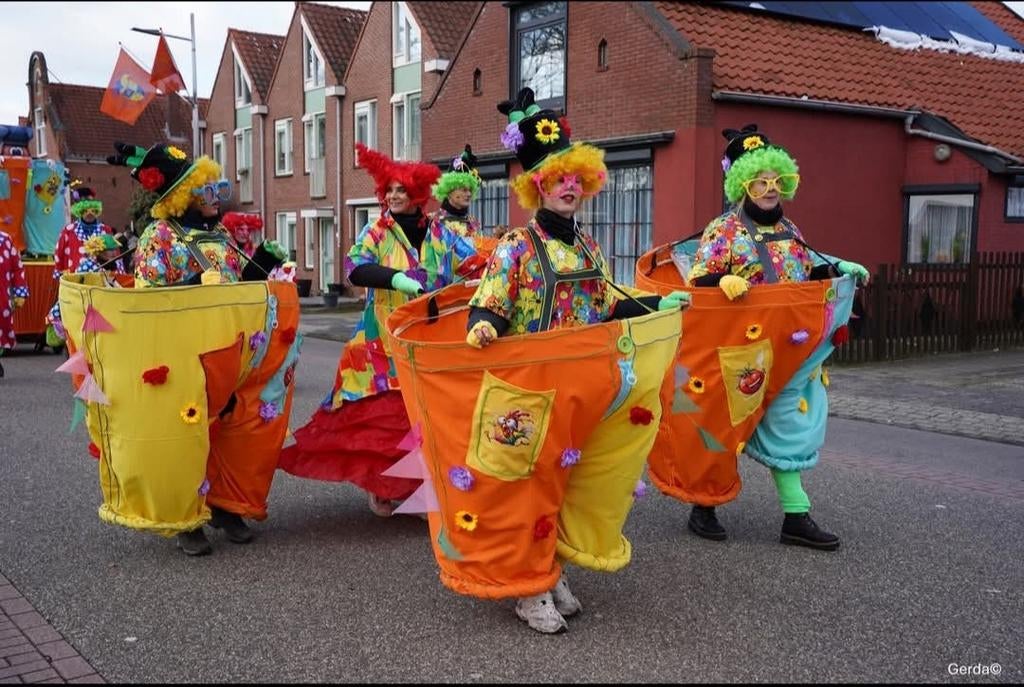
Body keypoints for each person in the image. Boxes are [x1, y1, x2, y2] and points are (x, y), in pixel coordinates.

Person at [463, 87, 689, 633]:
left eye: (575, 179)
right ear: (537, 185)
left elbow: (608, 303)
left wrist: (657, 303)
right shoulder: (516, 245)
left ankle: (550, 566)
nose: (569, 187)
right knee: (529, 484)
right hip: (530, 387)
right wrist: (484, 324)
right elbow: (490, 301)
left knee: (567, 480)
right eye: (557, 178)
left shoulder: (588, 245)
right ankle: (528, 587)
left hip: (582, 385)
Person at [683, 124, 869, 551]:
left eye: (776, 180)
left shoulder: (791, 229)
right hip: (738, 348)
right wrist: (721, 280)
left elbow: (806, 270)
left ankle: (796, 516)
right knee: (724, 425)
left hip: (786, 347)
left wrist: (837, 270)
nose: (769, 189)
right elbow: (699, 279)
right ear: (741, 185)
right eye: (759, 181)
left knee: (786, 421)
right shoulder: (723, 230)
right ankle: (704, 505)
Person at [104, 141, 292, 556]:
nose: (216, 196)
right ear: (183, 197)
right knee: (186, 434)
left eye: (217, 187)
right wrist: (192, 287)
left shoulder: (219, 233)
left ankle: (224, 505)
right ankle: (184, 515)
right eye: (206, 189)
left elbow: (236, 287)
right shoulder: (158, 236)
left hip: (227, 347)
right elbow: (149, 301)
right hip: (181, 352)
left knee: (231, 428)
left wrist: (262, 261)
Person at [279, 143, 482, 517]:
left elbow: (471, 263)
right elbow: (355, 267)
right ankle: (386, 485)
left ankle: (420, 487)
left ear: (417, 193)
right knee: (386, 419)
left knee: (428, 417)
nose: (393, 196)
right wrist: (397, 279)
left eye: (401, 190)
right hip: (381, 342)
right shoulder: (377, 230)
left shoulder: (440, 232)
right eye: (389, 190)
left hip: (431, 340)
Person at [46, 185, 126, 347]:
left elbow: (115, 253)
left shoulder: (105, 229)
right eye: (86, 211)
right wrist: (62, 277)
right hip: (75, 280)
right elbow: (59, 254)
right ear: (80, 211)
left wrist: (120, 274)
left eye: (93, 211)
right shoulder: (68, 230)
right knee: (76, 316)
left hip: (100, 282)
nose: (89, 214)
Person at [0, 228, 29, 378]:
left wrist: (20, 292)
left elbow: (17, 268)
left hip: (1, 299)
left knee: (1, 327)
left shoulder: (5, 240)